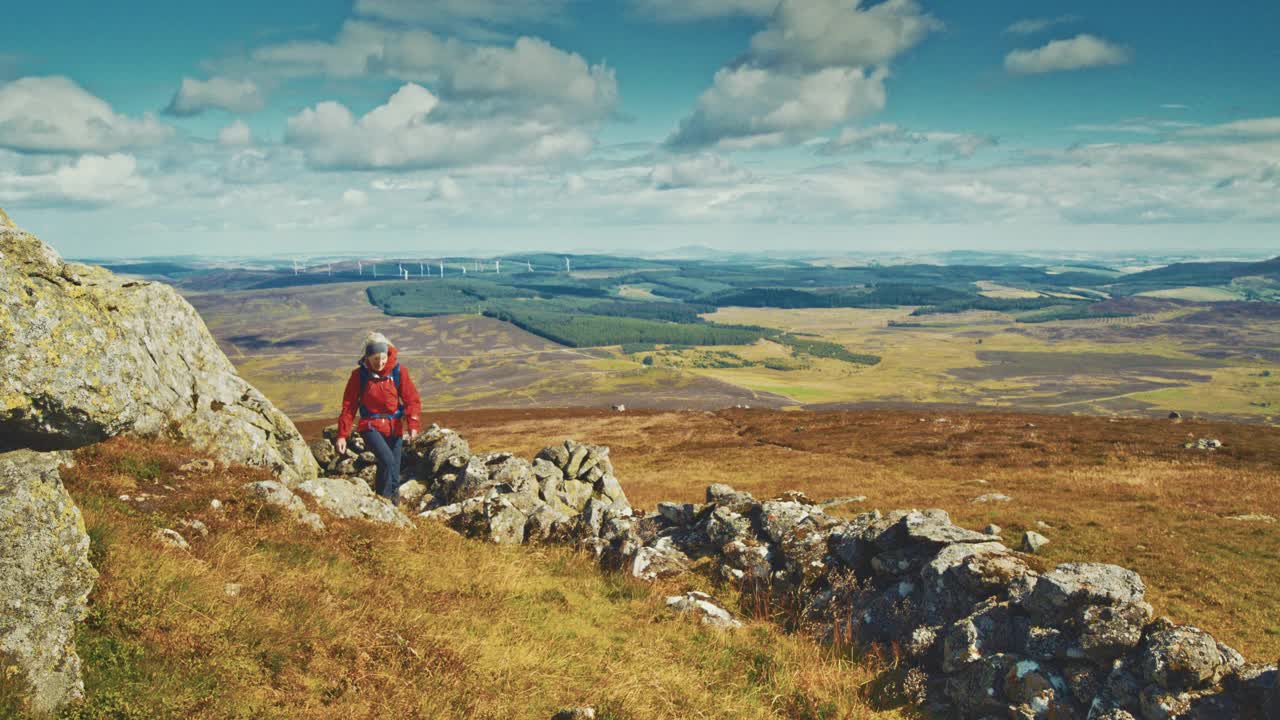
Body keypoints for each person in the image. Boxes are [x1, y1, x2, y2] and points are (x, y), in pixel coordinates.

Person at [336, 332, 422, 502]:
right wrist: (342, 435)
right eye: (375, 358)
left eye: (383, 357)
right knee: (388, 460)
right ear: (367, 356)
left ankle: (393, 511)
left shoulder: (399, 372)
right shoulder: (358, 376)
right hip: (370, 426)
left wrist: (413, 425)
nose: (380, 363)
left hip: (394, 427)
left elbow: (411, 399)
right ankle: (383, 503)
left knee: (394, 473)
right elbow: (349, 407)